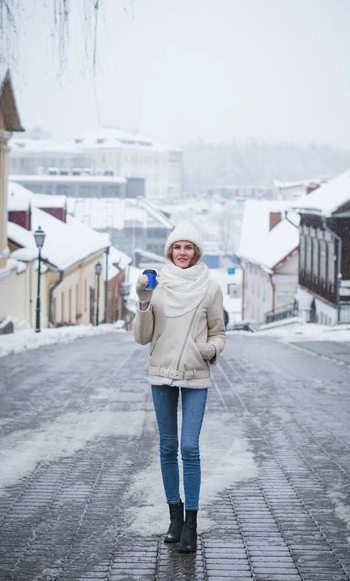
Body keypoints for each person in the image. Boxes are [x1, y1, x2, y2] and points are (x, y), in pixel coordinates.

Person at [134, 221, 226, 553]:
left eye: (188, 247)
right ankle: (174, 517)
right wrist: (144, 302)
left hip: (195, 377)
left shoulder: (210, 288)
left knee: (190, 448)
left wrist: (212, 349)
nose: (182, 253)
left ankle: (191, 524)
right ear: (169, 251)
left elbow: (218, 331)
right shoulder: (155, 286)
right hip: (160, 375)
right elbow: (142, 336)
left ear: (196, 252)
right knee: (167, 449)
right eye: (177, 247)